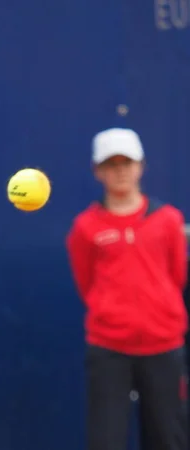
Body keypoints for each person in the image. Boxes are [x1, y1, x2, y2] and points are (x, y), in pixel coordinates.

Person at [65, 127, 189, 450]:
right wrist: (112, 312)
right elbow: (86, 283)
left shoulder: (168, 220)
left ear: (141, 166)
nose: (120, 171)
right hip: (109, 349)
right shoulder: (85, 227)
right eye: (111, 164)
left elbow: (177, 276)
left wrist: (158, 309)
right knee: (106, 441)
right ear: (97, 171)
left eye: (126, 162)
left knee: (167, 438)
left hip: (164, 346)